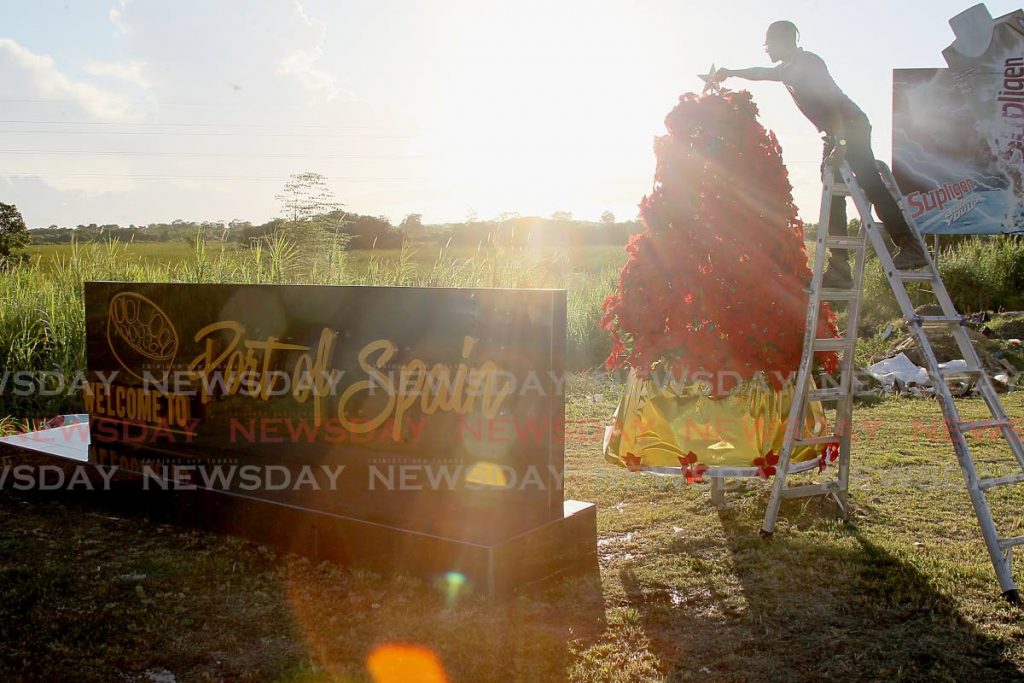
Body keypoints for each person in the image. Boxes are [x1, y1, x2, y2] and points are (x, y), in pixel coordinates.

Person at [717, 20, 928, 288]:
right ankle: (839, 269)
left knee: (869, 181)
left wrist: (840, 141)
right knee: (833, 192)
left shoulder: (808, 63)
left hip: (849, 126)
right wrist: (729, 72)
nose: (766, 49)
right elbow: (760, 72)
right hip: (834, 132)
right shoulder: (788, 68)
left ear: (783, 40)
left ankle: (909, 246)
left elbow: (830, 100)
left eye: (768, 43)